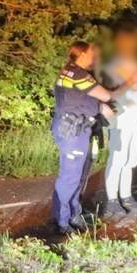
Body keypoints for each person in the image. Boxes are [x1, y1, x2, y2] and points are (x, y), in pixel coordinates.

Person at [51, 42, 113, 234]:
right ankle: (62, 222)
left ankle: (73, 213)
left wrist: (99, 107)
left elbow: (82, 97)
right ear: (83, 53)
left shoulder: (69, 72)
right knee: (70, 177)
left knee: (77, 175)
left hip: (77, 128)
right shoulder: (78, 73)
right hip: (73, 131)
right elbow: (105, 95)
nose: (94, 57)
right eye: (92, 53)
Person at [102, 26, 137, 217]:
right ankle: (112, 200)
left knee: (130, 161)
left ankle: (127, 197)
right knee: (117, 160)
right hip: (120, 121)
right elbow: (109, 94)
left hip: (136, 122)